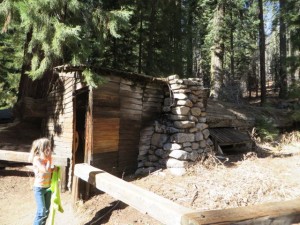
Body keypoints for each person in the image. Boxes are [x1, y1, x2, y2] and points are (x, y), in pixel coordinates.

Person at [28, 138, 56, 225]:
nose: (49, 148)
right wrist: (48, 159)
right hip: (39, 189)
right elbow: (44, 170)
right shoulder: (37, 159)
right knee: (41, 212)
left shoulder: (46, 159)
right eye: (47, 146)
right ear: (42, 148)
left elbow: (49, 170)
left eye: (49, 146)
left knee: (46, 211)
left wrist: (54, 169)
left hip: (48, 188)